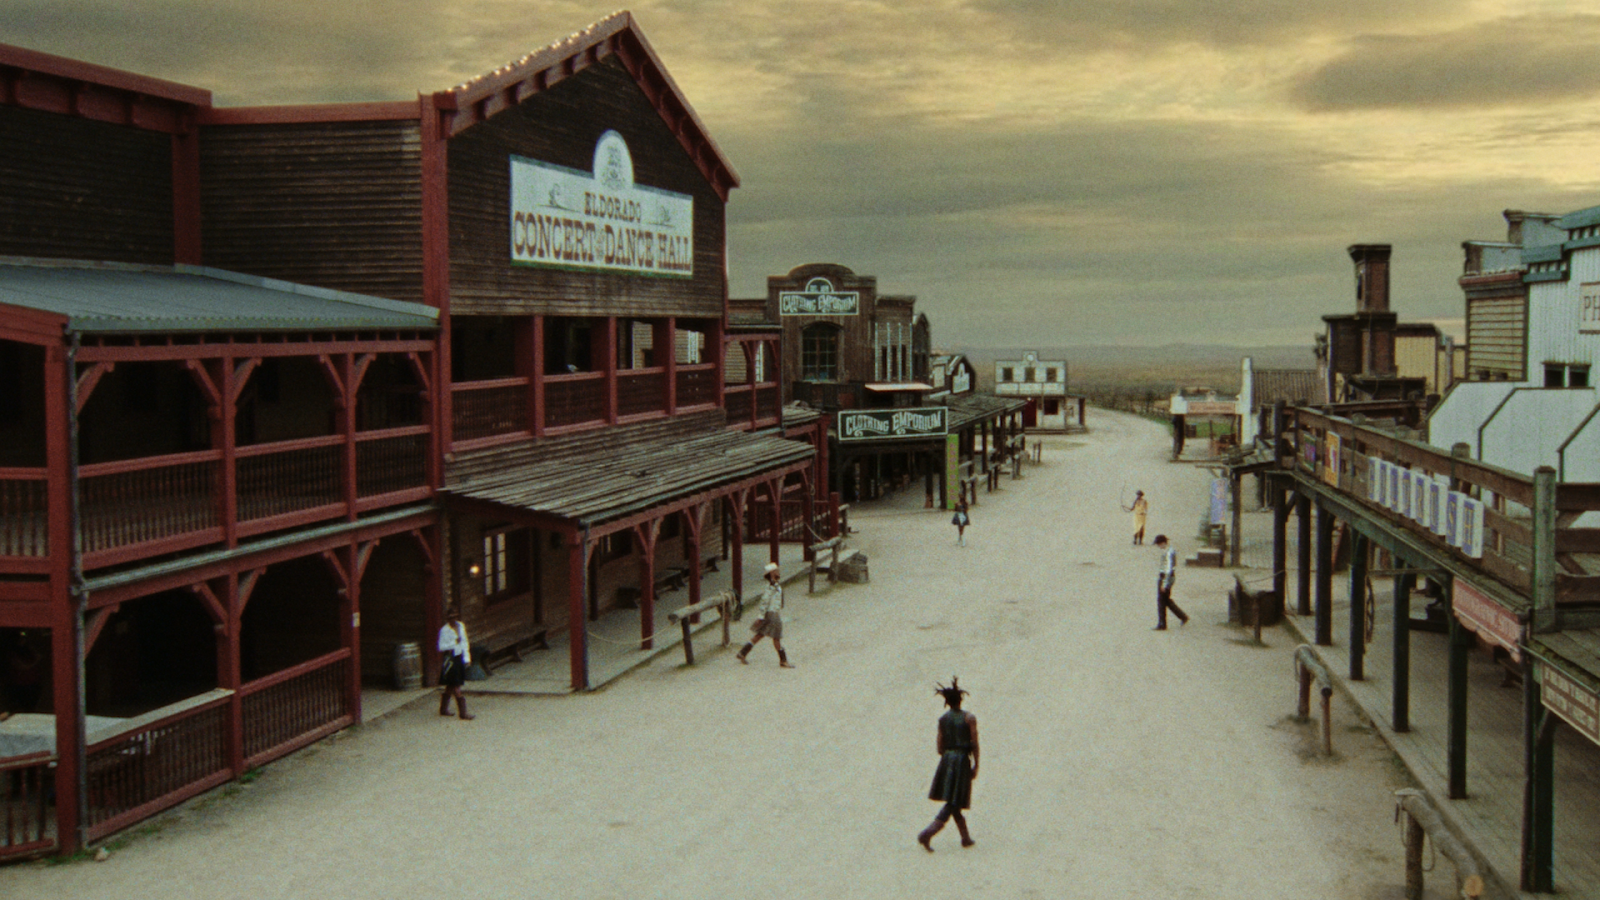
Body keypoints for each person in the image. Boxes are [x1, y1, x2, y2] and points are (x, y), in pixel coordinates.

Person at [917, 677, 979, 852]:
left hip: (946, 759)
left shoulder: (943, 720)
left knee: (954, 799)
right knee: (954, 800)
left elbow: (939, 747)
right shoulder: (969, 718)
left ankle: (965, 838)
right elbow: (974, 743)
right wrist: (976, 765)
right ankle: (929, 832)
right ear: (960, 700)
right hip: (961, 759)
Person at [736, 562, 795, 668]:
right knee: (776, 637)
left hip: (771, 613)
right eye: (776, 570)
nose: (778, 572)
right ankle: (783, 660)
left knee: (760, 634)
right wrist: (760, 616)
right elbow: (764, 602)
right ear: (772, 573)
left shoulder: (774, 585)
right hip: (773, 614)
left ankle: (743, 652)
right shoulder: (771, 587)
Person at [437, 608, 475, 719]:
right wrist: (453, 644)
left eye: (454, 617)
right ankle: (463, 713)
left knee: (450, 685)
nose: (453, 620)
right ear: (447, 619)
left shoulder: (461, 626)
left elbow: (465, 642)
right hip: (450, 659)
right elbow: (441, 646)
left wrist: (467, 658)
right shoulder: (444, 630)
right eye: (450, 618)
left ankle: (443, 708)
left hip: (459, 658)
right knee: (456, 685)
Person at [1152, 534, 1189, 629]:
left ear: (1163, 543)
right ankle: (1182, 616)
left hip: (1166, 578)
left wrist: (1164, 584)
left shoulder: (1168, 553)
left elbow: (1168, 570)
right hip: (1169, 578)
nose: (1158, 546)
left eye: (1159, 544)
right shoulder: (1170, 550)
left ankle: (1162, 623)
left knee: (1161, 601)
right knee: (1166, 600)